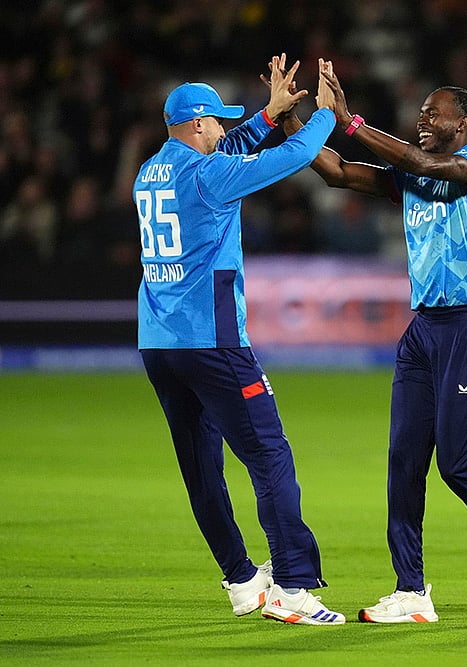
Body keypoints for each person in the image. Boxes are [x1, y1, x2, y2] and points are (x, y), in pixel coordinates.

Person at [281, 67, 467, 623]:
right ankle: (411, 591)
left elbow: (423, 163)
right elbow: (337, 173)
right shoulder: (412, 176)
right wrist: (291, 117)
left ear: (464, 124)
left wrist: (349, 120)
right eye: (421, 114)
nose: (423, 120)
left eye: (434, 113)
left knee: (459, 465)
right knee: (404, 461)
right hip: (424, 330)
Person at [135, 56, 345, 625]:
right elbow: (294, 158)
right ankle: (295, 588)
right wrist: (321, 116)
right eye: (219, 122)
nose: (226, 130)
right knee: (268, 453)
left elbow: (227, 155)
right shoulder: (208, 176)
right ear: (198, 124)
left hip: (159, 342)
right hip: (215, 341)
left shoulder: (150, 172)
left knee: (201, 465)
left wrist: (268, 114)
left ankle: (242, 580)